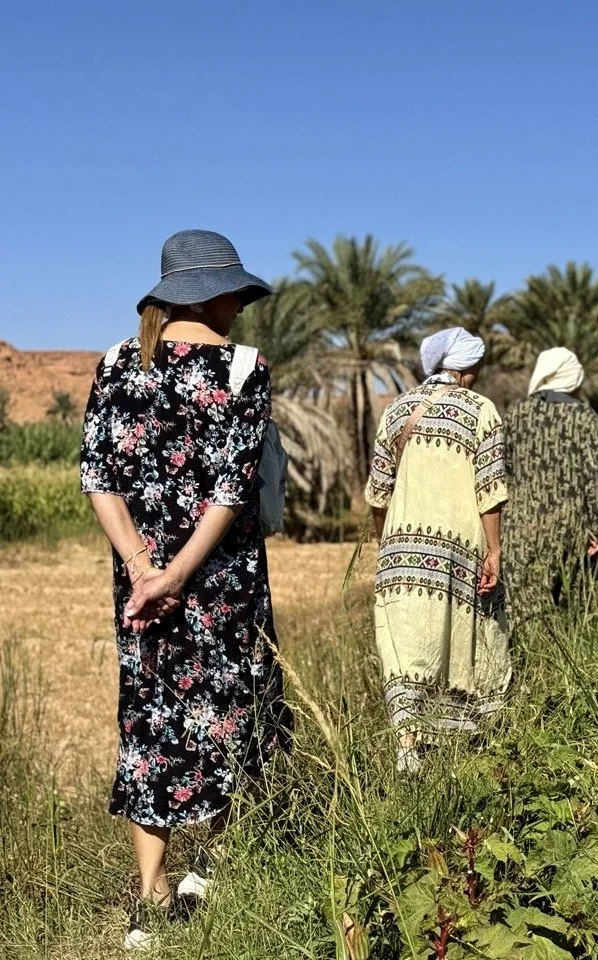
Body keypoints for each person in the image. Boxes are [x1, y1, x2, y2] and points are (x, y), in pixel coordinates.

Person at [80, 229, 293, 950]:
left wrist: (144, 567)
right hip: (222, 581)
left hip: (140, 586)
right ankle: (218, 863)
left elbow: (97, 477)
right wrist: (178, 572)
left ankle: (150, 899)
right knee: (233, 710)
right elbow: (233, 489)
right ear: (224, 294)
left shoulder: (116, 363)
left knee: (149, 721)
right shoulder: (242, 368)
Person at [365, 327, 509, 767]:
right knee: (463, 642)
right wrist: (494, 550)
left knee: (407, 645)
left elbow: (377, 493)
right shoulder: (481, 411)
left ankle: (410, 747)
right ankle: (464, 748)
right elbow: (491, 490)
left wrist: (384, 544)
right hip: (460, 551)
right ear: (466, 370)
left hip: (400, 554)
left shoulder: (396, 411)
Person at [502, 347, 598, 624]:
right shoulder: (584, 417)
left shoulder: (516, 413)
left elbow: (505, 468)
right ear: (572, 375)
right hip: (569, 525)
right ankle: (562, 663)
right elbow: (592, 476)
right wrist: (596, 527)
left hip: (519, 523)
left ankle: (526, 665)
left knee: (522, 609)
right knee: (570, 609)